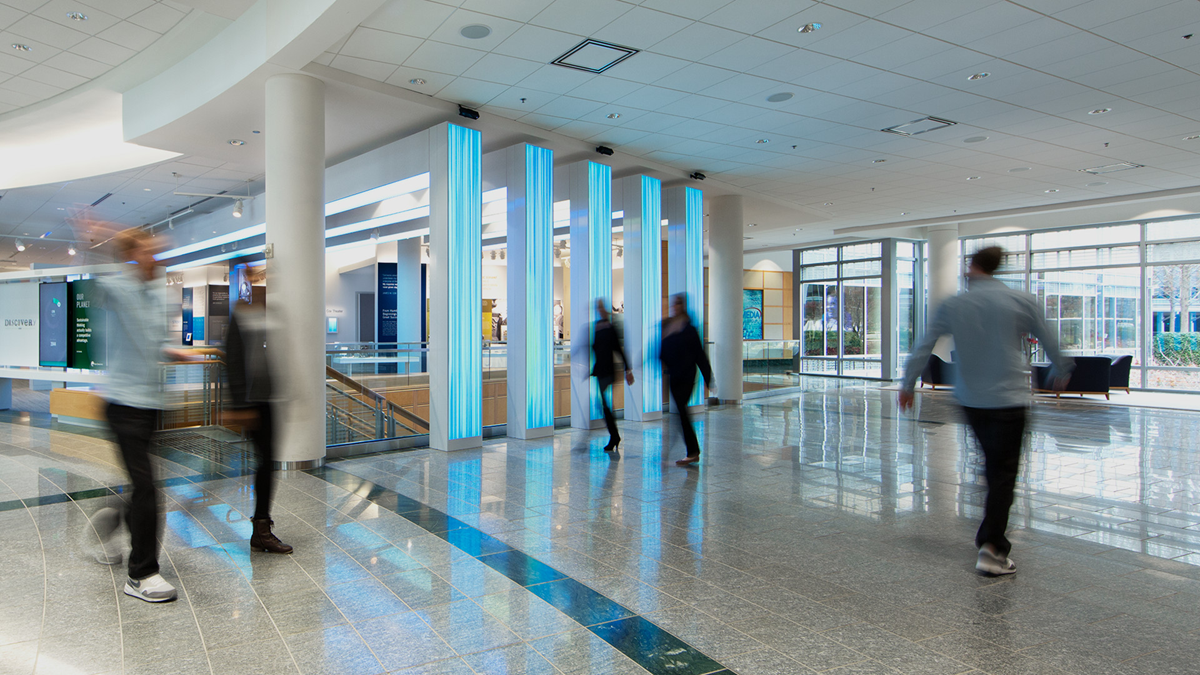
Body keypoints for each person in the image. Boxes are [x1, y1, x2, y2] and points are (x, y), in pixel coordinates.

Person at [899, 246, 1072, 576]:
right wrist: (1061, 368)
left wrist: (908, 383)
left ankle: (989, 537)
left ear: (972, 266)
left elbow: (925, 343)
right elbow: (1050, 339)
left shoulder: (954, 304)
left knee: (994, 466)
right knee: (1003, 473)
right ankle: (991, 549)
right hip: (1009, 399)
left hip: (971, 400)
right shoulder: (1020, 300)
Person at [88, 228, 195, 602]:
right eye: (148, 251)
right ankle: (141, 574)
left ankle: (110, 519)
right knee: (149, 486)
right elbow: (97, 283)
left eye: (159, 250)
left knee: (141, 484)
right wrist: (95, 243)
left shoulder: (160, 295)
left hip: (152, 405)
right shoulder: (119, 288)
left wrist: (172, 351)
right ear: (133, 256)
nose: (157, 256)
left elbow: (152, 341)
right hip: (122, 404)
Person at [225, 299, 293, 554]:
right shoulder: (240, 315)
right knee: (265, 461)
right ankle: (261, 530)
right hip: (253, 402)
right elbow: (233, 360)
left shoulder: (262, 314)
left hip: (267, 399)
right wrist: (240, 405)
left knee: (268, 461)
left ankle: (262, 528)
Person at [660, 294, 714, 466]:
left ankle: (693, 451)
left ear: (683, 306)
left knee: (682, 411)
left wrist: (708, 378)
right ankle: (691, 450)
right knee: (681, 412)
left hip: (687, 375)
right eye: (673, 304)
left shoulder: (689, 329)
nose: (674, 307)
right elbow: (662, 351)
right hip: (673, 375)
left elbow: (699, 354)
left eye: (678, 304)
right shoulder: (669, 326)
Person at [591, 299, 634, 452]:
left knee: (605, 404)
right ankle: (614, 435)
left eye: (601, 308)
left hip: (608, 370)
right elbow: (595, 348)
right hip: (601, 370)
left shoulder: (610, 327)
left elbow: (618, 349)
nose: (599, 310)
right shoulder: (597, 326)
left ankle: (614, 435)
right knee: (604, 404)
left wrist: (627, 370)